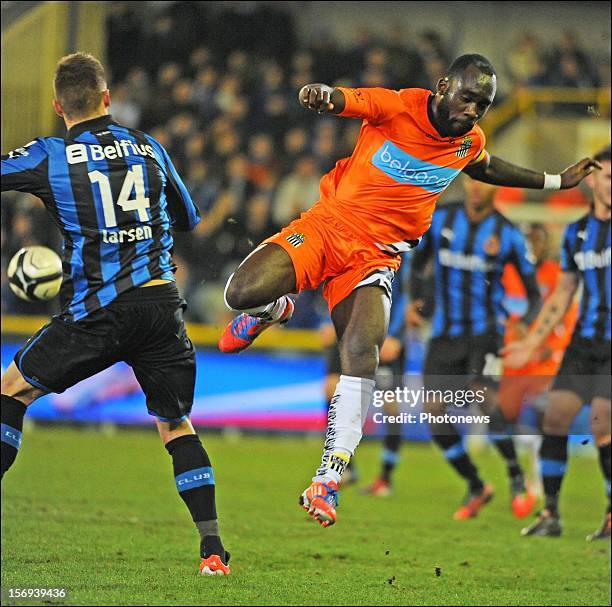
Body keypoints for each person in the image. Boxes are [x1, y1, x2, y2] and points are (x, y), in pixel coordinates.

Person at [218, 53, 599, 528]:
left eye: (483, 104)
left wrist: (557, 180)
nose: (474, 111)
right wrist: (323, 97)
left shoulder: (467, 142)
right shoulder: (397, 107)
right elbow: (348, 100)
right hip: (327, 228)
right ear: (443, 86)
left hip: (376, 258)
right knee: (240, 293)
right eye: (468, 98)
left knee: (363, 354)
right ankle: (271, 310)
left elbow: (484, 166)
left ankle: (328, 477)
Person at [0, 53, 230, 575]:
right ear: (107, 98)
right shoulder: (149, 147)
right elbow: (189, 218)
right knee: (175, 424)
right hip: (160, 306)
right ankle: (213, 551)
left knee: (10, 391)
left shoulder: (50, 155)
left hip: (97, 311)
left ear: (59, 106)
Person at [405, 177, 540, 519]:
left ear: (496, 188)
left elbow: (534, 293)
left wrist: (525, 322)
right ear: (465, 183)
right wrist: (417, 299)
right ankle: (476, 485)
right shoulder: (442, 219)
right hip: (446, 334)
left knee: (483, 398)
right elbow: (416, 263)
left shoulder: (507, 233)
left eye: (484, 183)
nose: (477, 188)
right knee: (433, 410)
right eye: (472, 181)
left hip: (486, 335)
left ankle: (515, 473)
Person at [503, 145, 610, 540]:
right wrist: (532, 342)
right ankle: (550, 514)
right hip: (584, 344)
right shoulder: (577, 232)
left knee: (603, 423)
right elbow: (563, 294)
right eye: (608, 177)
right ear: (594, 180)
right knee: (555, 416)